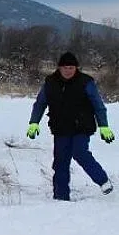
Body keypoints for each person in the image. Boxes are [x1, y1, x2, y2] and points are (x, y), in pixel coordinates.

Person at [27, 51, 114, 201]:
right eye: (65, 67)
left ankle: (103, 180)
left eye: (72, 68)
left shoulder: (86, 82)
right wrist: (34, 122)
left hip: (82, 126)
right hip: (60, 127)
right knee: (61, 161)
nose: (68, 70)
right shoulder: (50, 82)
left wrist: (104, 126)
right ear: (59, 68)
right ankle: (61, 197)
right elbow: (40, 103)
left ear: (76, 68)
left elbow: (98, 105)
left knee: (79, 152)